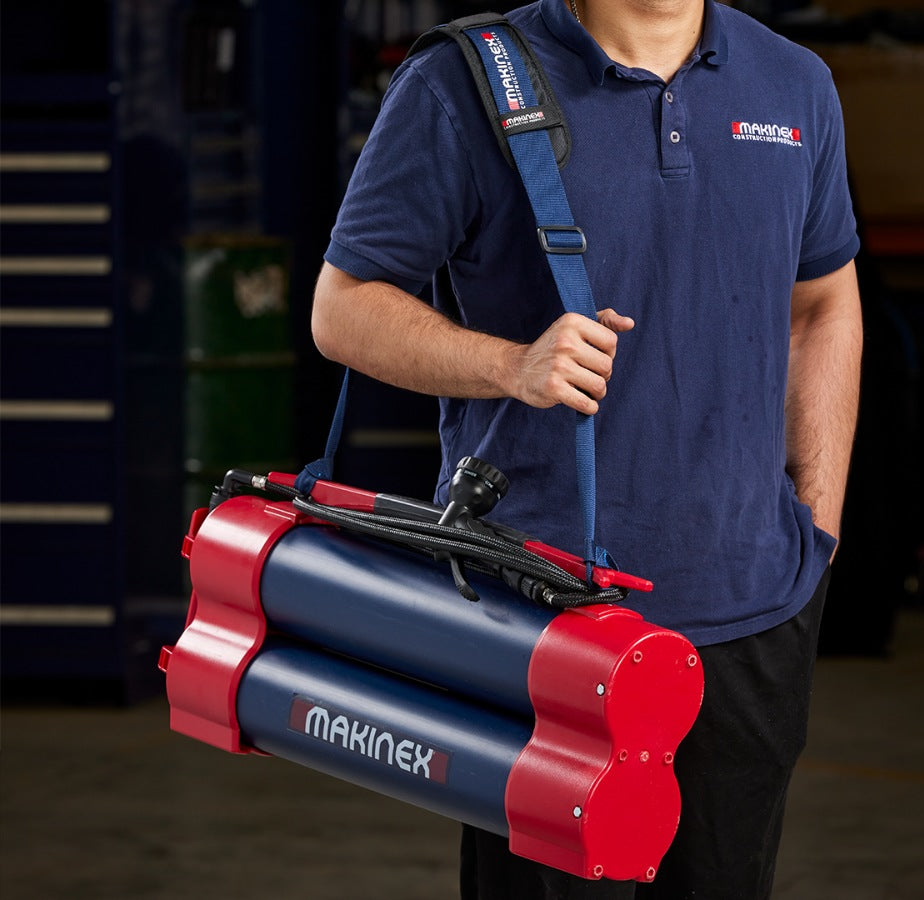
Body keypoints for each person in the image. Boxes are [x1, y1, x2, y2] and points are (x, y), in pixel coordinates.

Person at [309, 1, 863, 897]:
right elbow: (341, 308)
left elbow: (822, 303)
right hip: (539, 614)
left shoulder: (795, 84)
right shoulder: (465, 81)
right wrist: (510, 365)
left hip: (754, 614)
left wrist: (817, 524)